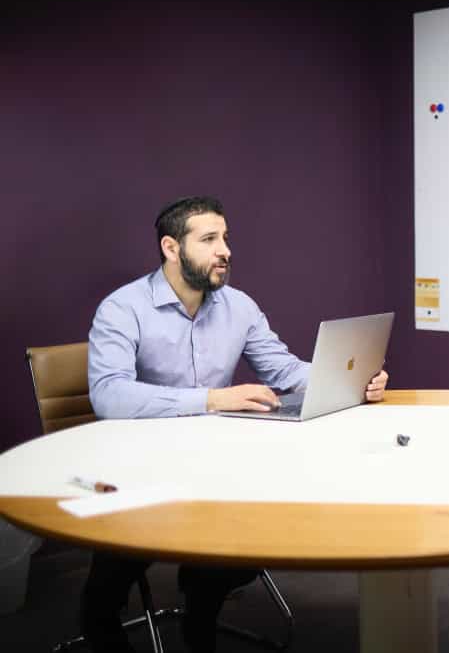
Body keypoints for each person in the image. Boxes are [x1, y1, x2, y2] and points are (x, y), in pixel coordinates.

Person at [83, 195, 389, 652]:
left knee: (265, 523)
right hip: (136, 461)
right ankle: (100, 620)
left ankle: (200, 609)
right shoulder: (122, 308)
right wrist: (210, 398)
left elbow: (284, 371)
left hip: (214, 457)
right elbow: (109, 394)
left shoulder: (237, 306)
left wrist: (352, 376)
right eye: (209, 239)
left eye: (225, 238)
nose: (225, 249)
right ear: (171, 247)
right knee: (120, 560)